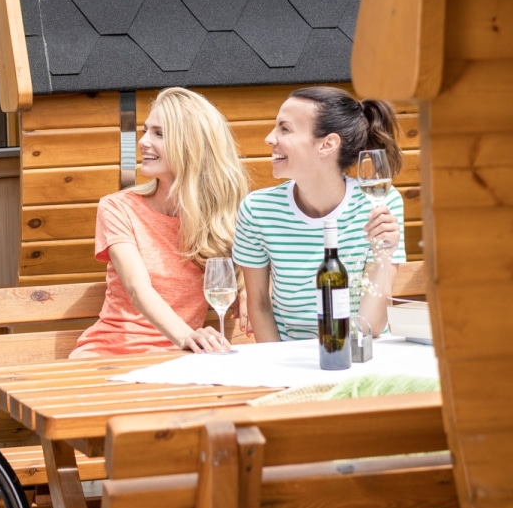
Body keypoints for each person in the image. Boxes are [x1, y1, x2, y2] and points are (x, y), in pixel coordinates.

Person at [70, 87, 248, 358]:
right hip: (111, 352)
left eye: (159, 134)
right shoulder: (118, 207)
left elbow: (261, 267)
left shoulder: (224, 215)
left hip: (181, 358)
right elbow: (137, 288)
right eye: (145, 130)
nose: (143, 141)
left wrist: (251, 285)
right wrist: (188, 336)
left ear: (191, 145)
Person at [232, 86, 404, 341]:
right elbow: (259, 305)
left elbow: (373, 327)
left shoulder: (381, 204)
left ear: (327, 144)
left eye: (284, 129)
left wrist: (385, 252)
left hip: (363, 353)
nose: (270, 138)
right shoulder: (257, 210)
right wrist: (279, 371)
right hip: (290, 361)